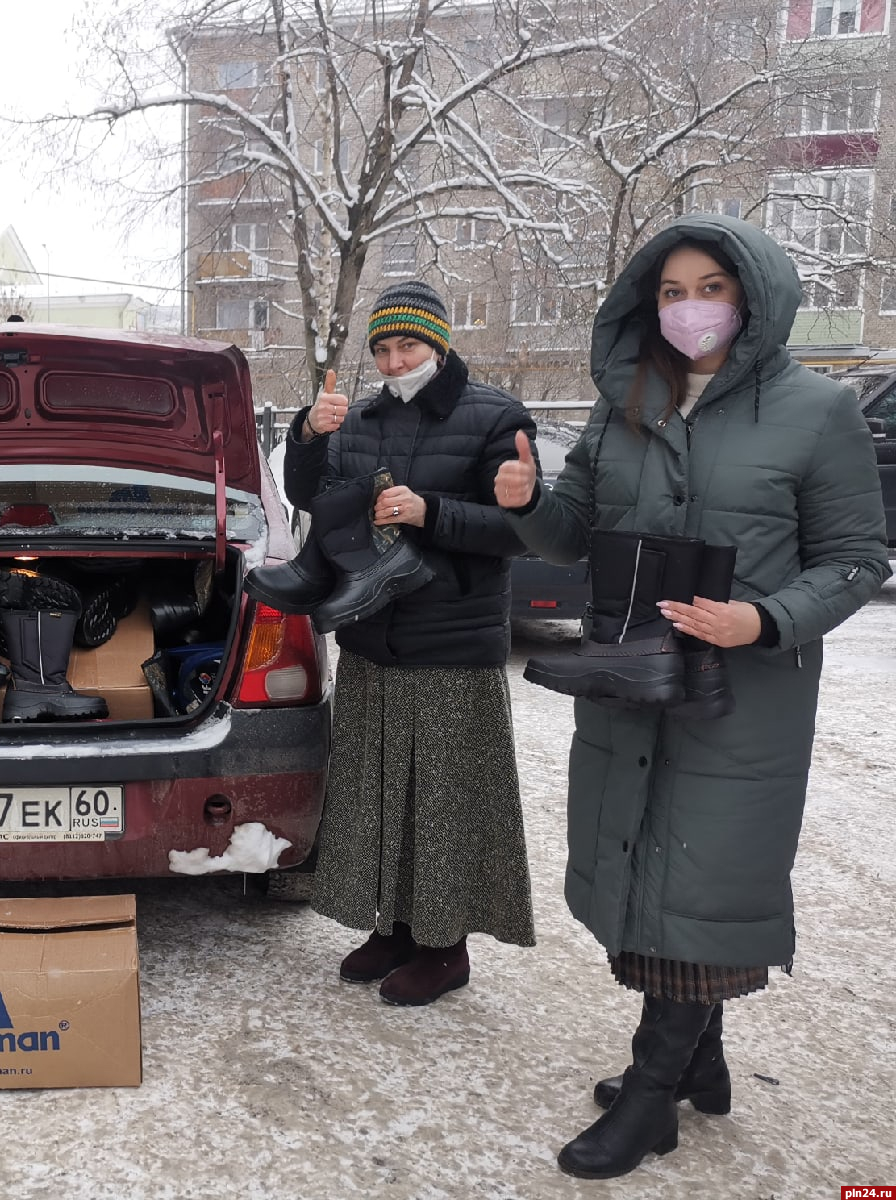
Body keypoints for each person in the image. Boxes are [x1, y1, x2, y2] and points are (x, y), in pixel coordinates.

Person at [494, 215, 890, 1179]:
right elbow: (571, 533)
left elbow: (855, 560)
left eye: (709, 287)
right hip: (632, 676)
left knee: (700, 873)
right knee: (641, 864)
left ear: (751, 298)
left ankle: (650, 1094)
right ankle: (700, 1063)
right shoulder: (625, 402)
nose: (689, 308)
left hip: (743, 694)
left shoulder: (816, 410)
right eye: (670, 292)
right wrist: (524, 503)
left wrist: (761, 620)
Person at [284, 280, 538, 1006]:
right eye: (384, 350)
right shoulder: (358, 418)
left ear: (440, 343)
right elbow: (312, 498)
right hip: (373, 636)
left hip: (450, 643)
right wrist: (308, 435)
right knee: (379, 793)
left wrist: (432, 513)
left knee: (442, 802)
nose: (395, 363)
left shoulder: (495, 416)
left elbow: (521, 530)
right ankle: (394, 929)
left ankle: (444, 947)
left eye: (409, 347)